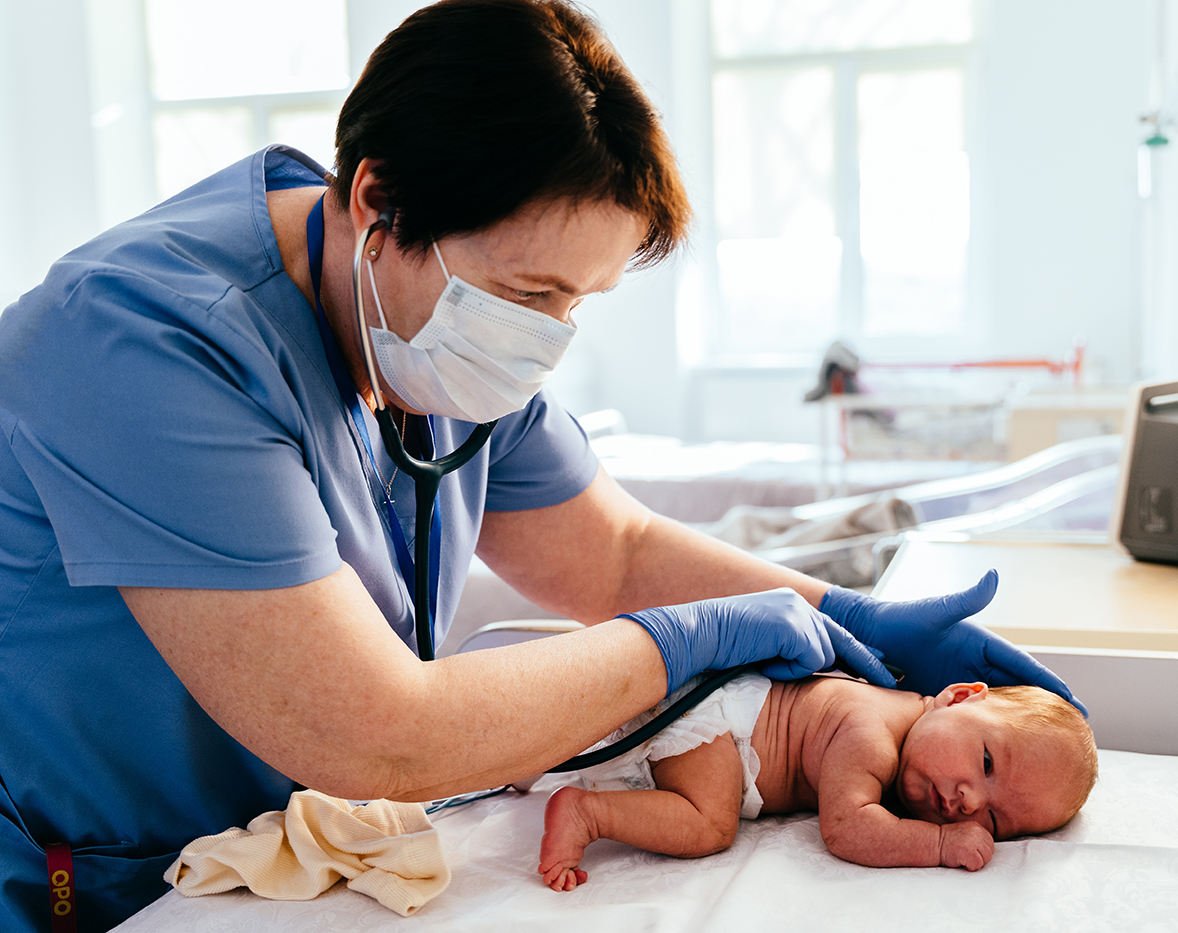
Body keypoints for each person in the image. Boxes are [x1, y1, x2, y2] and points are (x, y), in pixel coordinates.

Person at [0, 1, 1083, 929]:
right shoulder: (141, 345)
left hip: (244, 863)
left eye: (579, 299)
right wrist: (684, 644)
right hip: (59, 872)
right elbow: (376, 734)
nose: (548, 338)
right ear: (378, 204)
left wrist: (843, 614)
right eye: (527, 296)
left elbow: (610, 554)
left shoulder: (421, 342)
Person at [538, 678, 1097, 890]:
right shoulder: (872, 732)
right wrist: (941, 844)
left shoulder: (910, 732)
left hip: (720, 726)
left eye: (994, 820)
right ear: (957, 696)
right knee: (709, 824)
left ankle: (540, 767)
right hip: (715, 725)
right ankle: (587, 813)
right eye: (986, 762)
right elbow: (847, 827)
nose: (969, 800)